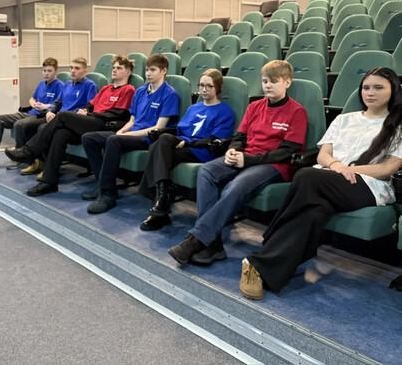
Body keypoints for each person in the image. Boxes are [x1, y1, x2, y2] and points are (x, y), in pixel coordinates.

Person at [240, 67, 402, 300]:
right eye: (366, 87)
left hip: (368, 186)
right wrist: (336, 166)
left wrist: (347, 170)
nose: (370, 93)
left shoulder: (397, 126)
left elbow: (388, 168)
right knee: (314, 210)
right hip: (329, 178)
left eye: (378, 88)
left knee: (306, 176)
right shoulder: (344, 119)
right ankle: (260, 267)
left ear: (393, 90)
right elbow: (323, 155)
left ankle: (270, 238)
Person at [168, 60, 307, 266]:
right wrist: (233, 150)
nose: (268, 86)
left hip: (275, 165)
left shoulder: (297, 112)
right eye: (265, 81)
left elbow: (287, 151)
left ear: (287, 82)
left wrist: (248, 160)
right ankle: (213, 244)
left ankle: (196, 240)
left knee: (236, 185)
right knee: (206, 171)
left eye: (273, 81)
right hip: (246, 157)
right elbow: (240, 137)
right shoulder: (254, 107)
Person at [5, 55, 136, 196]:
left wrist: (91, 114)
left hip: (103, 124)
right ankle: (49, 182)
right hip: (91, 121)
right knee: (60, 135)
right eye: (114, 67)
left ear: (128, 72)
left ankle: (28, 151)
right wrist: (85, 110)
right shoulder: (106, 88)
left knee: (63, 115)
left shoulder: (128, 89)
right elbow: (90, 104)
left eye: (119, 68)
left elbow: (118, 113)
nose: (114, 70)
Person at [82, 53, 179, 214]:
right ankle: (102, 185)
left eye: (153, 70)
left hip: (148, 139)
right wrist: (121, 131)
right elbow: (132, 121)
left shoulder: (170, 94)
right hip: (132, 133)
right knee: (89, 138)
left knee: (114, 141)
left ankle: (107, 194)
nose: (148, 73)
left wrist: (124, 136)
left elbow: (158, 128)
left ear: (163, 71)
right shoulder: (140, 91)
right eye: (147, 70)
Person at [139, 69, 235, 231]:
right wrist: (182, 141)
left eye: (209, 86)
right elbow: (180, 130)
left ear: (218, 87)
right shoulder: (194, 108)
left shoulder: (225, 111)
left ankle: (159, 200)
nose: (204, 89)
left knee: (158, 147)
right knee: (161, 141)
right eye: (201, 85)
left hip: (201, 150)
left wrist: (188, 144)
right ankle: (161, 201)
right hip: (182, 144)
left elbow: (214, 139)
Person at [0, 57, 63, 171]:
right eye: (44, 70)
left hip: (42, 115)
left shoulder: (60, 86)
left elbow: (59, 104)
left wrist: (44, 106)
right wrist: (34, 104)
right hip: (31, 112)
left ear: (56, 71)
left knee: (19, 124)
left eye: (49, 71)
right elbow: (32, 99)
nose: (46, 73)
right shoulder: (41, 84)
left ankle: (19, 156)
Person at [16, 56, 98, 177]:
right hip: (60, 118)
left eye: (77, 68)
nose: (73, 71)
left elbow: (90, 107)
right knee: (30, 125)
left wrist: (73, 113)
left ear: (85, 71)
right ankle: (38, 162)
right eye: (71, 67)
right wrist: (50, 111)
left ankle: (43, 164)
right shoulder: (67, 84)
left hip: (73, 120)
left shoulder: (90, 85)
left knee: (43, 128)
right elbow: (57, 103)